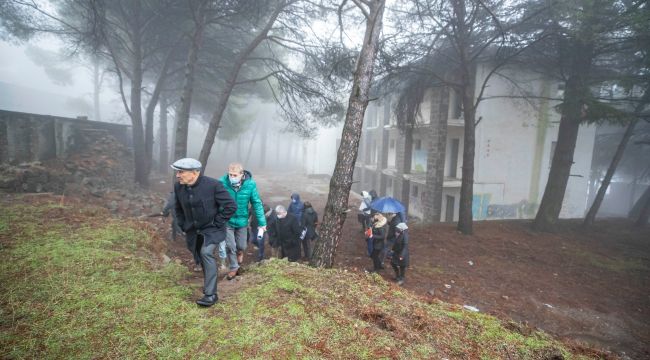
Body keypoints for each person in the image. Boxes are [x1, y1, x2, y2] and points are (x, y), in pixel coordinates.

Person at [172, 158, 237, 307]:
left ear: (194, 173)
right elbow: (178, 208)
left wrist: (217, 222)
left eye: (181, 172)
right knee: (199, 255)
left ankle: (210, 294)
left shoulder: (213, 185)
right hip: (192, 231)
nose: (178, 175)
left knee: (206, 252)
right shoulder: (179, 187)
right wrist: (182, 224)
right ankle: (209, 281)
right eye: (178, 172)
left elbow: (230, 206)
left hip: (212, 229)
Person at [220, 163, 266, 280]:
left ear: (242, 174)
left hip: (242, 220)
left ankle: (240, 252)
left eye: (235, 175)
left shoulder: (250, 185)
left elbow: (256, 203)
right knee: (230, 246)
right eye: (230, 174)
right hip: (227, 220)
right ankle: (234, 267)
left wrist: (262, 223)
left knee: (241, 245)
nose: (232, 177)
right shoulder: (222, 183)